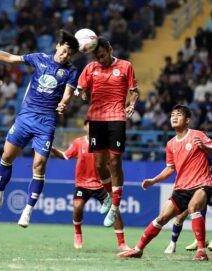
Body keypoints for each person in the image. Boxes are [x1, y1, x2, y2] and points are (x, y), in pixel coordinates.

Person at [0, 30, 79, 228]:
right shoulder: (39, 58)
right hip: (26, 117)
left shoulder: (71, 71)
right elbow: (10, 58)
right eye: (65, 51)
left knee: (39, 165)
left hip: (46, 122)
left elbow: (68, 94)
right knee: (7, 156)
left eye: (70, 54)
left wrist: (64, 103)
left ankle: (27, 211)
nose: (66, 56)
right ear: (58, 46)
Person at [119, 104, 212, 261]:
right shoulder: (170, 144)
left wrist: (204, 147)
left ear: (187, 120)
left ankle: (201, 251)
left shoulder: (197, 135)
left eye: (179, 115)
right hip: (181, 187)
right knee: (162, 218)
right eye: (172, 115)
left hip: (202, 183)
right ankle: (138, 249)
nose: (174, 117)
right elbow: (170, 169)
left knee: (193, 207)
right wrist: (153, 180)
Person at [76, 37, 139, 227]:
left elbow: (134, 90)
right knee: (100, 164)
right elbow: (80, 88)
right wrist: (83, 93)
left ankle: (115, 206)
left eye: (103, 55)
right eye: (97, 56)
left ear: (110, 50)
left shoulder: (126, 66)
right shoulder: (91, 68)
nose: (100, 60)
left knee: (114, 162)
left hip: (117, 117)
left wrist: (132, 104)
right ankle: (109, 197)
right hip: (96, 118)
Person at [51, 120, 130, 251]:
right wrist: (53, 149)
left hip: (101, 185)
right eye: (88, 124)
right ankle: (78, 234)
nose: (91, 127)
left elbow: (112, 164)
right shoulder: (78, 142)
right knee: (77, 206)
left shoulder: (105, 144)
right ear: (84, 127)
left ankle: (122, 243)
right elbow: (65, 156)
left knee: (115, 211)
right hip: (82, 184)